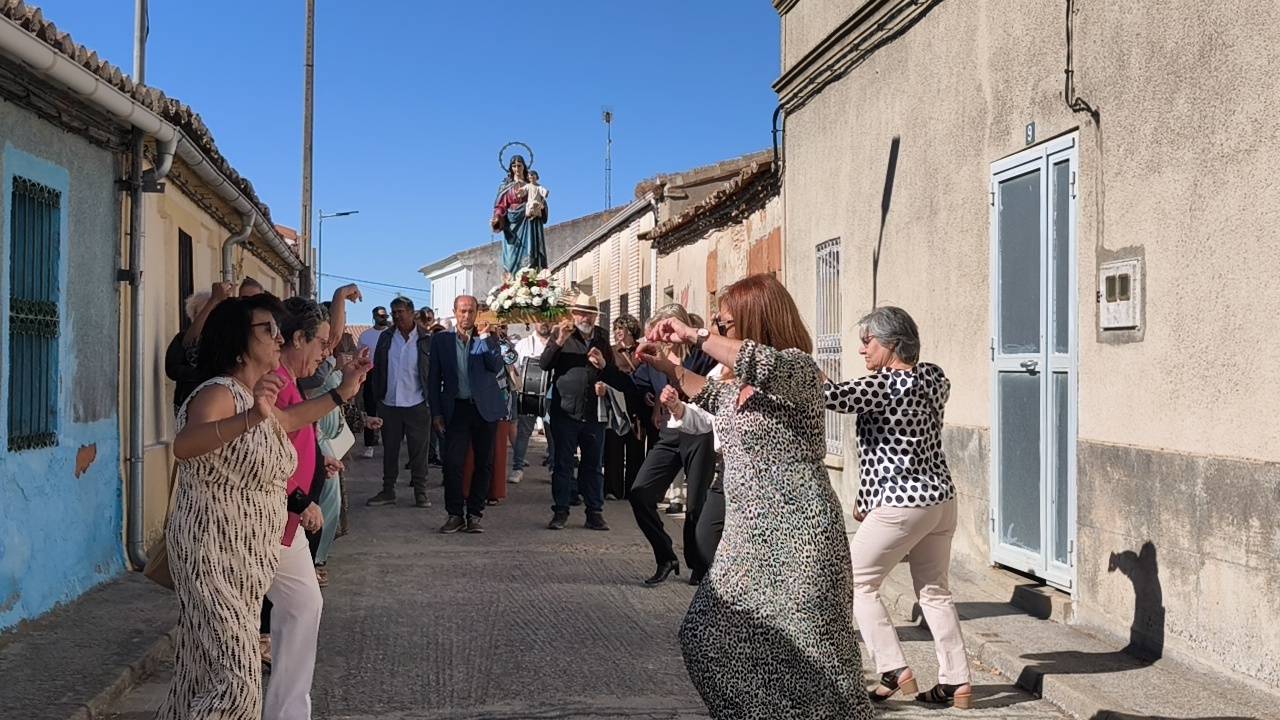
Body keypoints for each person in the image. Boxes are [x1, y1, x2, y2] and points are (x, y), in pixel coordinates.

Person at [639, 273, 871, 719]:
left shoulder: (798, 370)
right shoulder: (738, 385)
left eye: (725, 325)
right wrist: (668, 365)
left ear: (754, 320)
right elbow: (704, 392)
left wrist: (693, 334)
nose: (720, 331)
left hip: (800, 537)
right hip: (748, 538)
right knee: (706, 636)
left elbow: (756, 361)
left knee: (816, 660)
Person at [158, 295, 370, 720]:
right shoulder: (220, 392)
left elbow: (289, 423)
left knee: (201, 676)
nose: (279, 338)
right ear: (239, 341)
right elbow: (186, 446)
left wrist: (341, 392)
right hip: (213, 552)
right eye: (267, 330)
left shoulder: (257, 394)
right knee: (237, 682)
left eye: (278, 330)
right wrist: (252, 417)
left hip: (250, 554)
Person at [824, 305, 972, 708]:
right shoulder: (934, 378)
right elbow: (889, 445)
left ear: (891, 343)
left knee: (856, 582)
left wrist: (801, 366)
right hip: (941, 500)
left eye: (867, 341)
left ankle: (892, 668)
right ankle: (956, 681)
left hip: (903, 502)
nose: (862, 351)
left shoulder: (882, 387)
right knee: (935, 592)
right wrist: (866, 498)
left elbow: (830, 397)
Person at [625, 305, 717, 585]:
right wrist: (648, 403)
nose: (661, 337)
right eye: (657, 331)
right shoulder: (655, 359)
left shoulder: (701, 356)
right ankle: (665, 555)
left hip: (699, 431)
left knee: (696, 504)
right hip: (670, 433)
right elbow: (635, 385)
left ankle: (699, 565)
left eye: (665, 330)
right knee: (640, 494)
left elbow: (713, 391)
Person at [539, 293, 625, 531]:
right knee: (564, 463)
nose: (584, 317)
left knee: (593, 465)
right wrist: (558, 342)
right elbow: (544, 364)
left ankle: (594, 512)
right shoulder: (561, 333)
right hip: (565, 410)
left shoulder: (602, 337)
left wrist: (604, 376)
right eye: (580, 312)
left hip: (593, 411)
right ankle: (560, 512)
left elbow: (613, 374)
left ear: (596, 315)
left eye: (589, 312)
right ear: (573, 314)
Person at [428, 295, 507, 534]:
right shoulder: (441, 341)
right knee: (452, 463)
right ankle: (454, 514)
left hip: (484, 409)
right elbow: (433, 379)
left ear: (476, 313)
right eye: (462, 311)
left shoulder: (488, 339)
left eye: (470, 311)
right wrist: (436, 413)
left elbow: (496, 367)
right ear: (454, 312)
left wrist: (484, 338)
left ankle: (474, 514)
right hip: (456, 408)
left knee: (484, 463)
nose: (466, 316)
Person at [363, 297, 434, 508]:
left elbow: (433, 371)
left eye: (400, 311)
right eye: (394, 312)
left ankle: (421, 492)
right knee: (390, 450)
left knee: (419, 451)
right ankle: (388, 490)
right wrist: (377, 398)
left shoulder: (426, 339)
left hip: (417, 403)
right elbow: (378, 369)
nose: (396, 316)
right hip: (390, 403)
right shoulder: (386, 338)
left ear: (412, 313)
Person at [603, 314, 646, 501]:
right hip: (617, 404)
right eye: (616, 328)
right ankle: (613, 488)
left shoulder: (642, 350)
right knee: (614, 446)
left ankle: (633, 489)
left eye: (622, 328)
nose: (618, 332)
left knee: (636, 448)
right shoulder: (611, 351)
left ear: (631, 330)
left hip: (638, 403)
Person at [509, 321, 553, 484]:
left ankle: (553, 468)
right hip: (528, 395)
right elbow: (514, 367)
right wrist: (519, 386)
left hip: (551, 396)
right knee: (523, 432)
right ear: (534, 322)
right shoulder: (523, 344)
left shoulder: (558, 343)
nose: (544, 325)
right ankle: (517, 468)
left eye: (546, 321)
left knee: (552, 433)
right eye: (540, 320)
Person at [491, 154, 548, 274]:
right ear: (511, 168)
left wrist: (541, 207)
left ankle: (530, 279)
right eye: (514, 166)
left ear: (524, 167)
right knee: (511, 259)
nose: (517, 169)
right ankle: (512, 282)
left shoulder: (531, 184)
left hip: (529, 221)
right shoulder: (506, 186)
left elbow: (541, 198)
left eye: (519, 165)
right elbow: (500, 205)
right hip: (512, 226)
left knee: (531, 253)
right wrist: (497, 217)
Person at [357, 306, 391, 459]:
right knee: (370, 407)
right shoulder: (365, 335)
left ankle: (389, 442)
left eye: (385, 316)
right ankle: (369, 444)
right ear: (374, 316)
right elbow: (359, 356)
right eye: (380, 316)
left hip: (388, 373)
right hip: (370, 373)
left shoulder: (391, 334)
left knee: (388, 408)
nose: (383, 319)